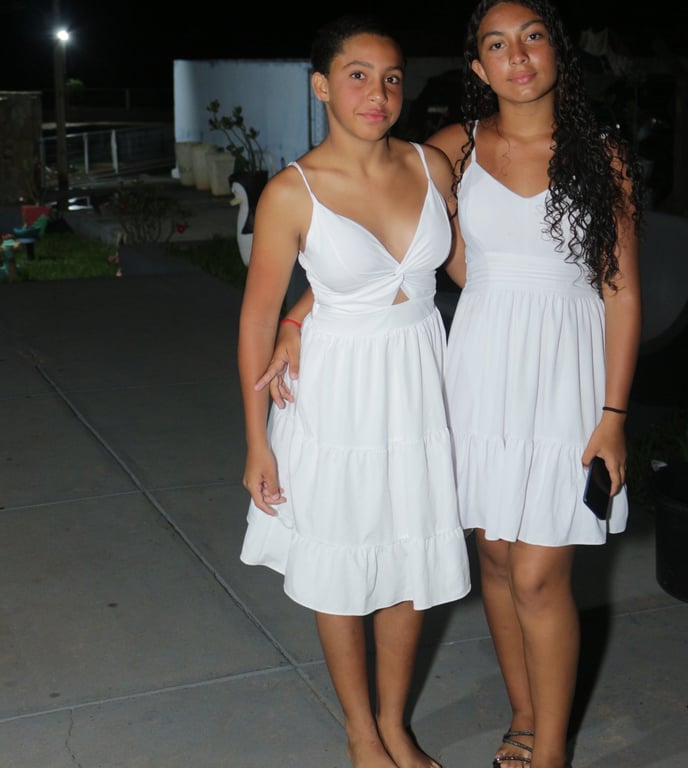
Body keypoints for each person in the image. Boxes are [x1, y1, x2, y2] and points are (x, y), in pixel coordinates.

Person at [260, 2, 644, 766]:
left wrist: (613, 413)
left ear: (557, 53)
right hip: (474, 371)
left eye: (533, 38)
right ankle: (525, 718)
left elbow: (623, 292)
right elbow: (386, 252)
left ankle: (550, 754)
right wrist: (298, 318)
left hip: (567, 375)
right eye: (497, 44)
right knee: (495, 560)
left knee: (539, 573)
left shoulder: (603, 159)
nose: (518, 56)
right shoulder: (452, 150)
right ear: (477, 66)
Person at [237, 14, 471, 768]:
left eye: (392, 77)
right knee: (342, 563)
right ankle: (361, 733)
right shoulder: (291, 191)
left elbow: (429, 272)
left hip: (420, 384)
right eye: (358, 75)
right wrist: (255, 442)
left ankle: (395, 724)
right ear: (321, 86)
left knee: (408, 559)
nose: (378, 93)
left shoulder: (432, 166)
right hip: (339, 394)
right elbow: (255, 320)